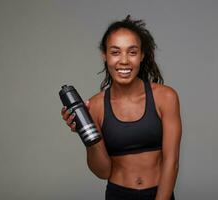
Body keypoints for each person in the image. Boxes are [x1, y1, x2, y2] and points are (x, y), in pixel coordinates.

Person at [61, 15, 182, 200]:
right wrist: (87, 135)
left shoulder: (165, 97)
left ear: (142, 55)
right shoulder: (96, 106)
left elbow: (171, 162)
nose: (124, 61)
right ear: (105, 55)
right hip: (118, 195)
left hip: (160, 195)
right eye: (115, 52)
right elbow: (102, 171)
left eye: (132, 52)